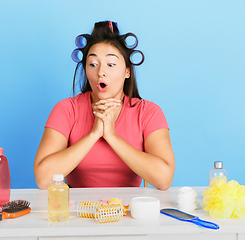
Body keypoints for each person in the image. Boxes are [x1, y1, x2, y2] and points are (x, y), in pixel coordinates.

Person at [34, 21, 175, 190]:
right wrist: (94, 134)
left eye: (111, 64)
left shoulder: (148, 112)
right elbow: (42, 179)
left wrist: (111, 136)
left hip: (130, 211)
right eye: (93, 64)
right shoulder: (66, 109)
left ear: (127, 71)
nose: (100, 72)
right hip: (78, 211)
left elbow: (164, 180)